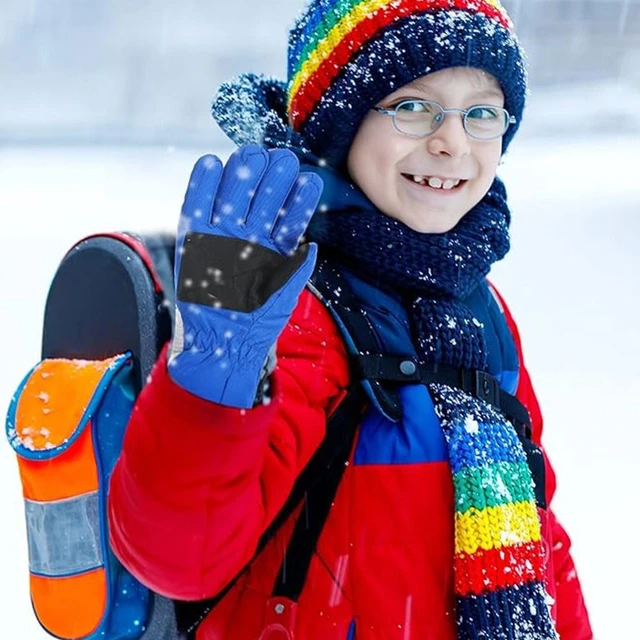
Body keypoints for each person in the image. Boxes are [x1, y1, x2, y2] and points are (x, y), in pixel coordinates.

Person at [108, 1, 594, 638]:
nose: (450, 142)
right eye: (414, 108)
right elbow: (179, 559)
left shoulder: (482, 312)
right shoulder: (291, 304)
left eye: (481, 114)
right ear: (340, 128)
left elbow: (540, 536)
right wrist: (210, 379)